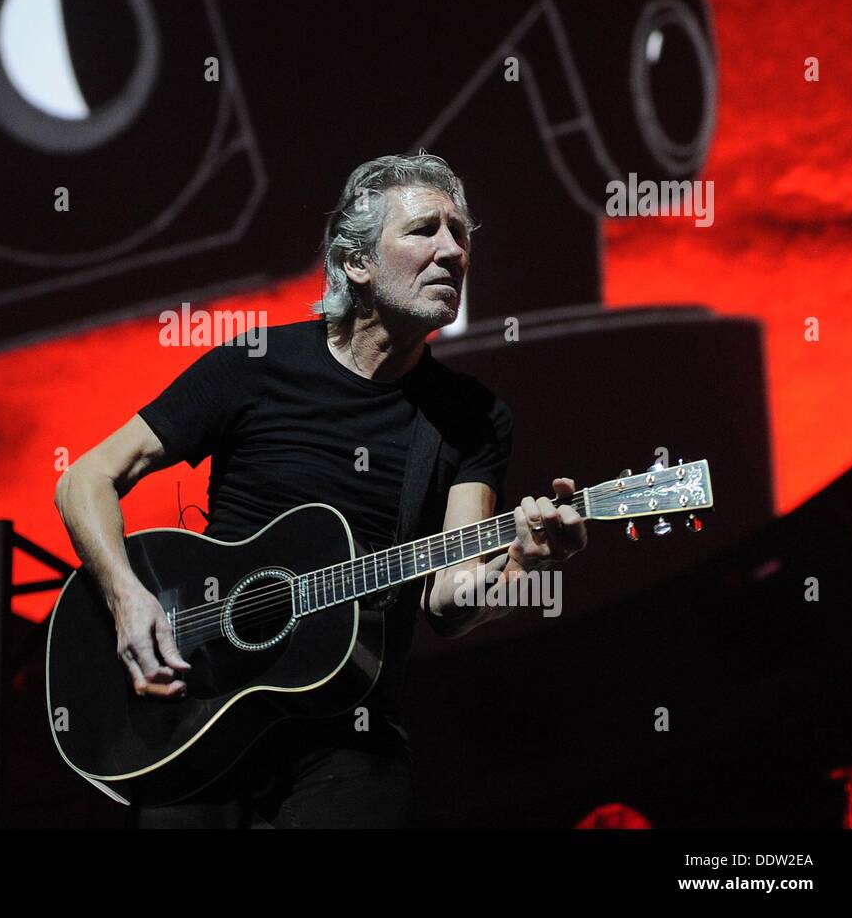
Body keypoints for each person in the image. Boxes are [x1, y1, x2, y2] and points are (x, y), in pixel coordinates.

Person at [53, 152, 587, 827]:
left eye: (461, 234)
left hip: (347, 733)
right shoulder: (255, 368)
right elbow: (85, 478)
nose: (452, 251)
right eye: (425, 230)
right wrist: (127, 598)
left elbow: (450, 599)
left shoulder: (472, 417)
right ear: (356, 263)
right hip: (200, 708)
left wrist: (519, 563)